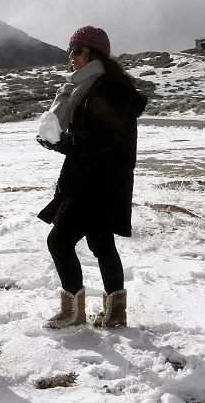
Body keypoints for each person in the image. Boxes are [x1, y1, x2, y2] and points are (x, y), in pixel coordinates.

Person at [36, 25, 148, 329]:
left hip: (98, 183)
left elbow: (103, 140)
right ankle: (115, 313)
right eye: (70, 50)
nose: (71, 57)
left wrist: (63, 143)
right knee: (101, 243)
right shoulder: (88, 86)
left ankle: (73, 313)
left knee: (59, 241)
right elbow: (90, 136)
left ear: (93, 52)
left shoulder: (108, 88)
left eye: (77, 50)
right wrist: (54, 138)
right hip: (94, 179)